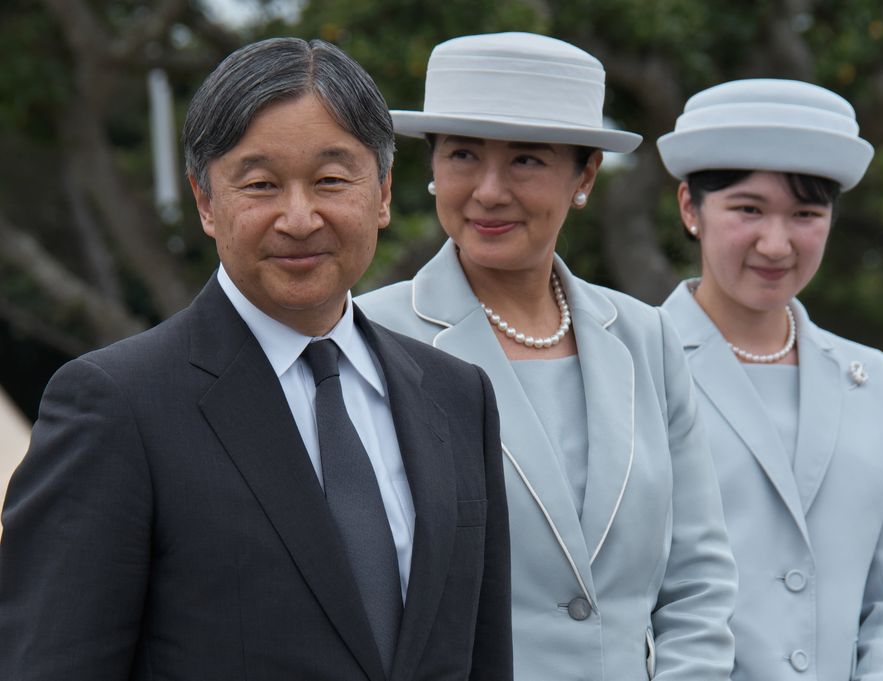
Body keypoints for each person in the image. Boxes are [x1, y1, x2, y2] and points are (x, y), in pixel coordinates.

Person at [0, 37, 512, 681]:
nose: (299, 218)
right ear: (206, 201)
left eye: (331, 180)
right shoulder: (116, 406)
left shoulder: (458, 396)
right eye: (261, 184)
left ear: (382, 193)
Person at [358, 32, 737, 681]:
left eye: (527, 160)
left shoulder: (647, 339)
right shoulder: (370, 337)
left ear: (584, 175)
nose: (488, 190)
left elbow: (698, 582)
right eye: (464, 155)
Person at [657, 78, 883, 680]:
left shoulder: (880, 383)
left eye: (806, 214)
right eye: (748, 209)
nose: (777, 243)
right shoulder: (631, 364)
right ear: (690, 208)